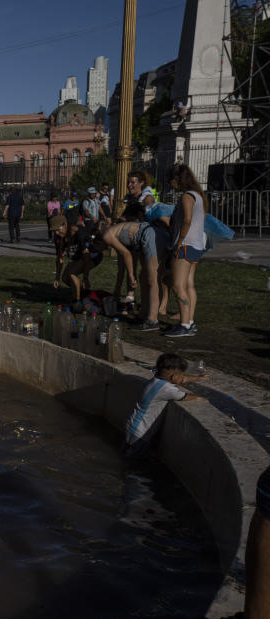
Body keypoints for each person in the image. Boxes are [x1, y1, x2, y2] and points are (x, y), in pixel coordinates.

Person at [124, 353, 203, 458]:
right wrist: (199, 397)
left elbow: (181, 379)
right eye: (182, 374)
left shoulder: (156, 381)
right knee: (133, 458)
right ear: (174, 376)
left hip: (132, 426)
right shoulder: (167, 390)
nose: (183, 378)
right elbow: (184, 396)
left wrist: (197, 378)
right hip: (140, 433)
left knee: (126, 451)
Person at [164, 164, 208, 338]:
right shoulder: (199, 196)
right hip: (196, 244)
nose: (170, 184)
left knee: (178, 286)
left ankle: (184, 325)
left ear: (178, 179)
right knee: (189, 284)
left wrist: (179, 241)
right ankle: (189, 321)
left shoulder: (186, 197)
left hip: (185, 245)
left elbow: (187, 220)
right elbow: (201, 219)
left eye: (171, 181)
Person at [49, 214, 103, 308]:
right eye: (54, 231)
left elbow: (86, 255)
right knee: (65, 278)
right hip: (80, 256)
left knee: (72, 273)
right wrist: (57, 277)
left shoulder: (79, 232)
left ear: (65, 225)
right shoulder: (58, 237)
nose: (56, 233)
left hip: (93, 255)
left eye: (58, 229)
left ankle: (76, 302)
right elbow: (60, 258)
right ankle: (84, 294)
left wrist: (85, 278)